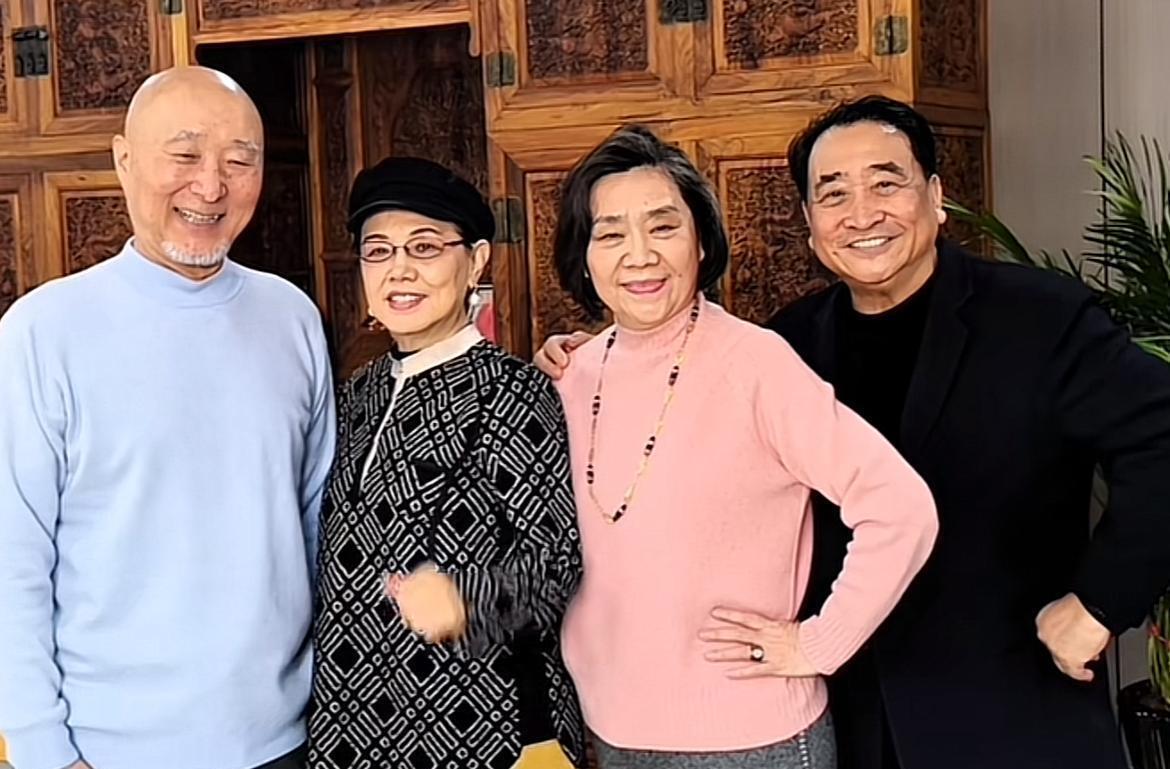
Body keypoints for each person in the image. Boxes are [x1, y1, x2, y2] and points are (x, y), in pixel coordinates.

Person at [537, 96, 1170, 769]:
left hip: (1010, 712)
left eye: (886, 183)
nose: (862, 214)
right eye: (833, 193)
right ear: (810, 223)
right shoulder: (792, 340)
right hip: (856, 716)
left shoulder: (1039, 317)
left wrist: (1100, 602)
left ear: (936, 196)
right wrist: (586, 359)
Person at [545, 125, 937, 769]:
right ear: (583, 256)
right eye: (610, 234)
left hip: (750, 741)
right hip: (610, 731)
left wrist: (819, 643)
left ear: (701, 242)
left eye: (663, 227)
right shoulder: (570, 375)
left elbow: (900, 507)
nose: (640, 255)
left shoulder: (756, 364)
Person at [0, 67, 335, 769]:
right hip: (109, 748)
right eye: (184, 155)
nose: (210, 186)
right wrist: (43, 749)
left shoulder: (292, 317)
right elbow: (13, 559)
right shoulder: (43, 332)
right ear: (124, 161)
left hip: (286, 738)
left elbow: (315, 523)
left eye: (239, 161)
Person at [308, 157, 584, 769]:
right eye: (378, 251)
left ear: (476, 261)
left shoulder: (514, 391)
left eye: (425, 247)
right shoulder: (357, 392)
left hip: (482, 727)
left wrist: (466, 602)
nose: (400, 269)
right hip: (353, 723)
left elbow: (558, 565)